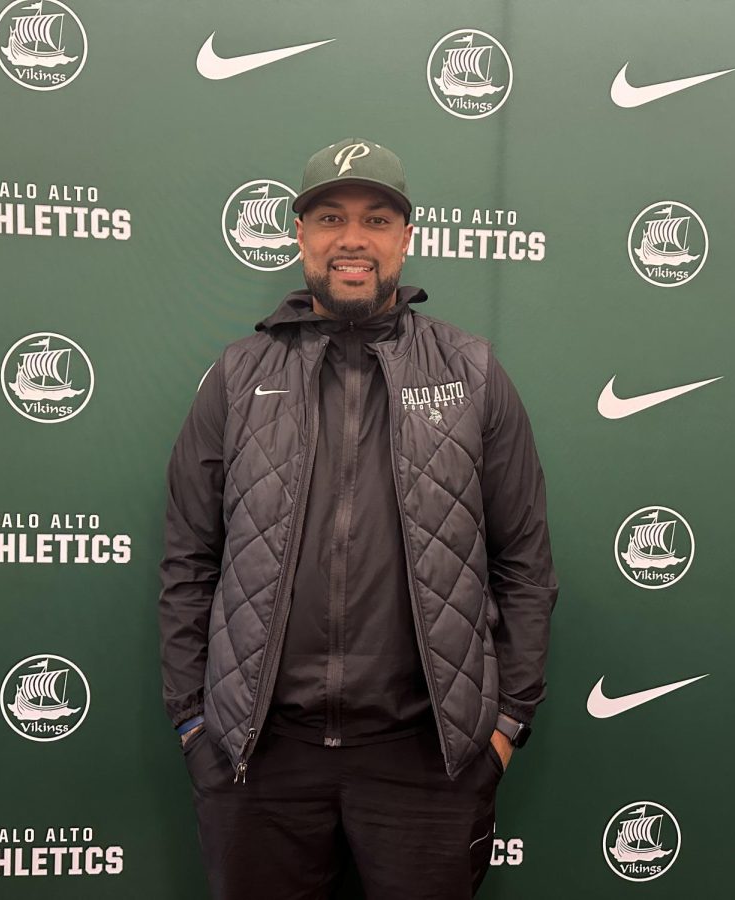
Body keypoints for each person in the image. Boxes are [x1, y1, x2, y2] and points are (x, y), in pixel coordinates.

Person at [159, 138, 557, 900]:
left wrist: (504, 726)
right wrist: (193, 724)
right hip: (259, 759)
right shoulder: (237, 378)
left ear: (405, 238)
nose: (353, 239)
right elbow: (189, 561)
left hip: (427, 758)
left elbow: (525, 566)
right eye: (330, 218)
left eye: (376, 219)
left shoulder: (472, 372)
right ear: (300, 235)